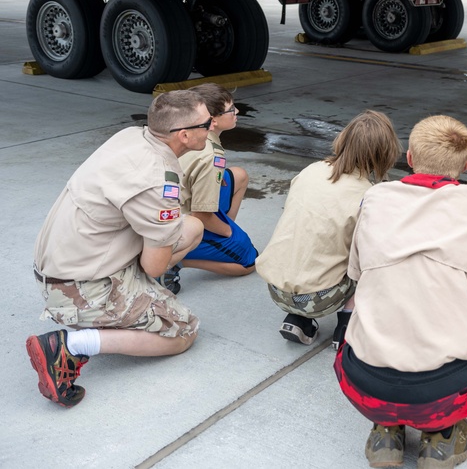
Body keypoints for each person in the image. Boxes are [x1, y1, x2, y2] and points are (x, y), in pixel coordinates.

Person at [334, 115, 467, 468]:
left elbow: (356, 271)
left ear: (409, 158)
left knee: (367, 300)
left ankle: (386, 430)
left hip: (365, 384)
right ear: (465, 164)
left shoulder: (376, 197)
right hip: (444, 391)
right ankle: (441, 436)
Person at [25, 91, 209, 408]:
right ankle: (70, 345)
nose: (212, 126)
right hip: (79, 288)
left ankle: (136, 303)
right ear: (184, 135)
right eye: (207, 123)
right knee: (183, 332)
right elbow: (154, 266)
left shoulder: (132, 137)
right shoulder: (158, 181)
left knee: (191, 227)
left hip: (63, 263)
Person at [256, 110, 400, 345]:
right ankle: (347, 324)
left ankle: (299, 320)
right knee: (379, 261)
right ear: (385, 152)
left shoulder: (311, 170)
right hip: (322, 296)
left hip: (277, 288)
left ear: (342, 139)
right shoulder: (369, 194)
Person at [167, 83, 257, 292]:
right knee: (248, 261)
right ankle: (175, 261)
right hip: (182, 220)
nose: (237, 112)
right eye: (231, 109)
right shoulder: (210, 156)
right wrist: (228, 232)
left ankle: (216, 240)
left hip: (171, 202)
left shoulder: (190, 134)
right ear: (213, 121)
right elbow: (200, 214)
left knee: (238, 176)